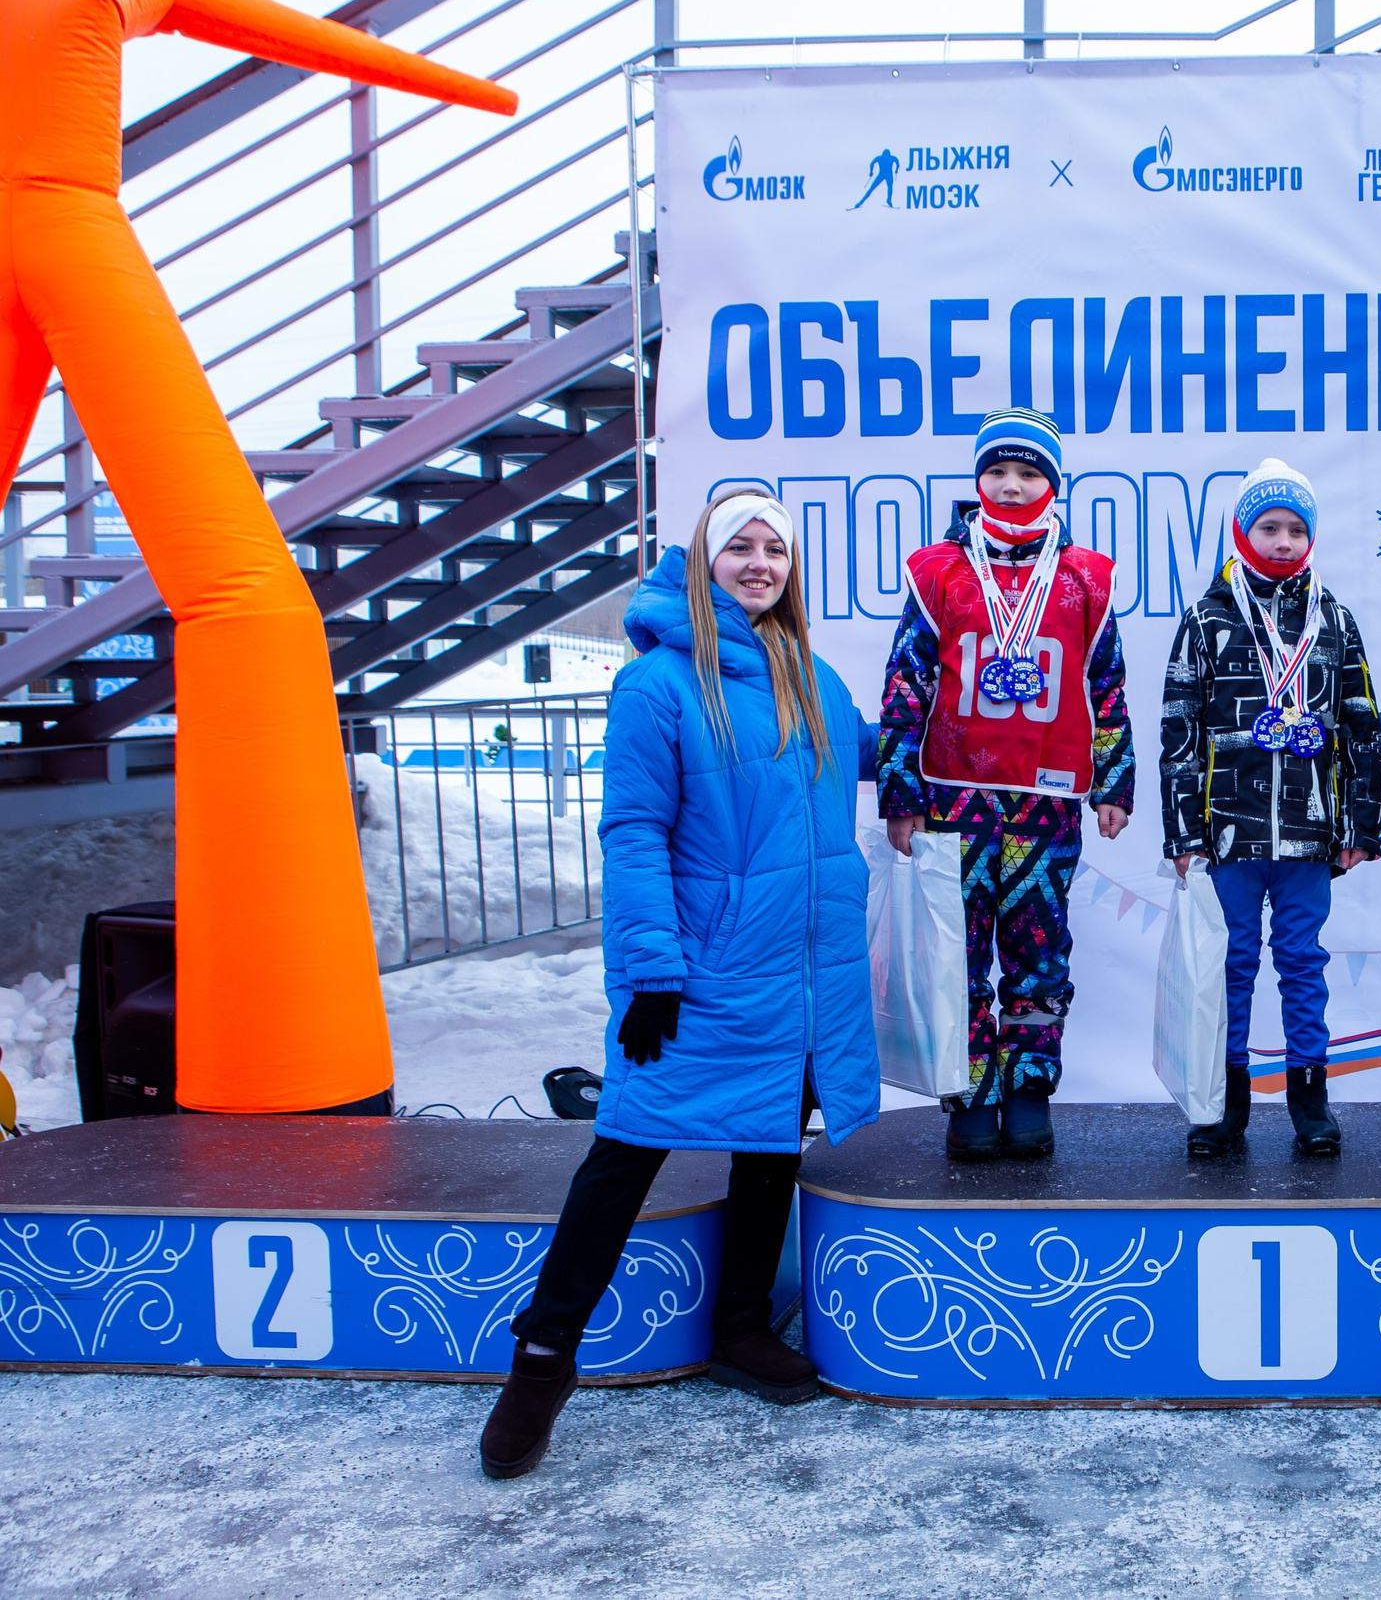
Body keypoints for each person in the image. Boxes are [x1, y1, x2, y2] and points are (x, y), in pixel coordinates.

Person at [479, 488, 881, 1480]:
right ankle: (543, 1354)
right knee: (623, 1152)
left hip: (795, 971)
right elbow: (633, 832)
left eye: (773, 547)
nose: (758, 561)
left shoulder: (814, 676)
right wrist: (651, 968)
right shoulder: (659, 684)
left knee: (768, 1141)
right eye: (738, 545)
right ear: (703, 562)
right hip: (700, 969)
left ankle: (740, 1323)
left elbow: (874, 759)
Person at [878, 408, 1135, 1160]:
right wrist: (900, 794)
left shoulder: (1087, 575)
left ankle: (1027, 1088)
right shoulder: (940, 571)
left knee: (1038, 948)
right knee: (957, 950)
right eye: (998, 471)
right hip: (952, 800)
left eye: (1029, 474)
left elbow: (1107, 683)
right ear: (977, 480)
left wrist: (1114, 781)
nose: (1013, 486)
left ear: (1054, 484)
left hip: (1046, 802)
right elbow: (906, 684)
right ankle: (969, 1093)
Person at [1161, 458, 1381, 1157]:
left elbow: (1360, 725)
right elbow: (1179, 729)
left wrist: (1360, 823)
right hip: (1227, 832)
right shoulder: (1206, 617)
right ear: (1242, 530)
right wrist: (1182, 834)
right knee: (1227, 967)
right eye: (1269, 527)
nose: (1283, 541)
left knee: (1301, 961)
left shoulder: (1334, 619)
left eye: (1295, 528)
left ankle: (1309, 1098)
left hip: (1308, 835)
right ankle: (1222, 1102)